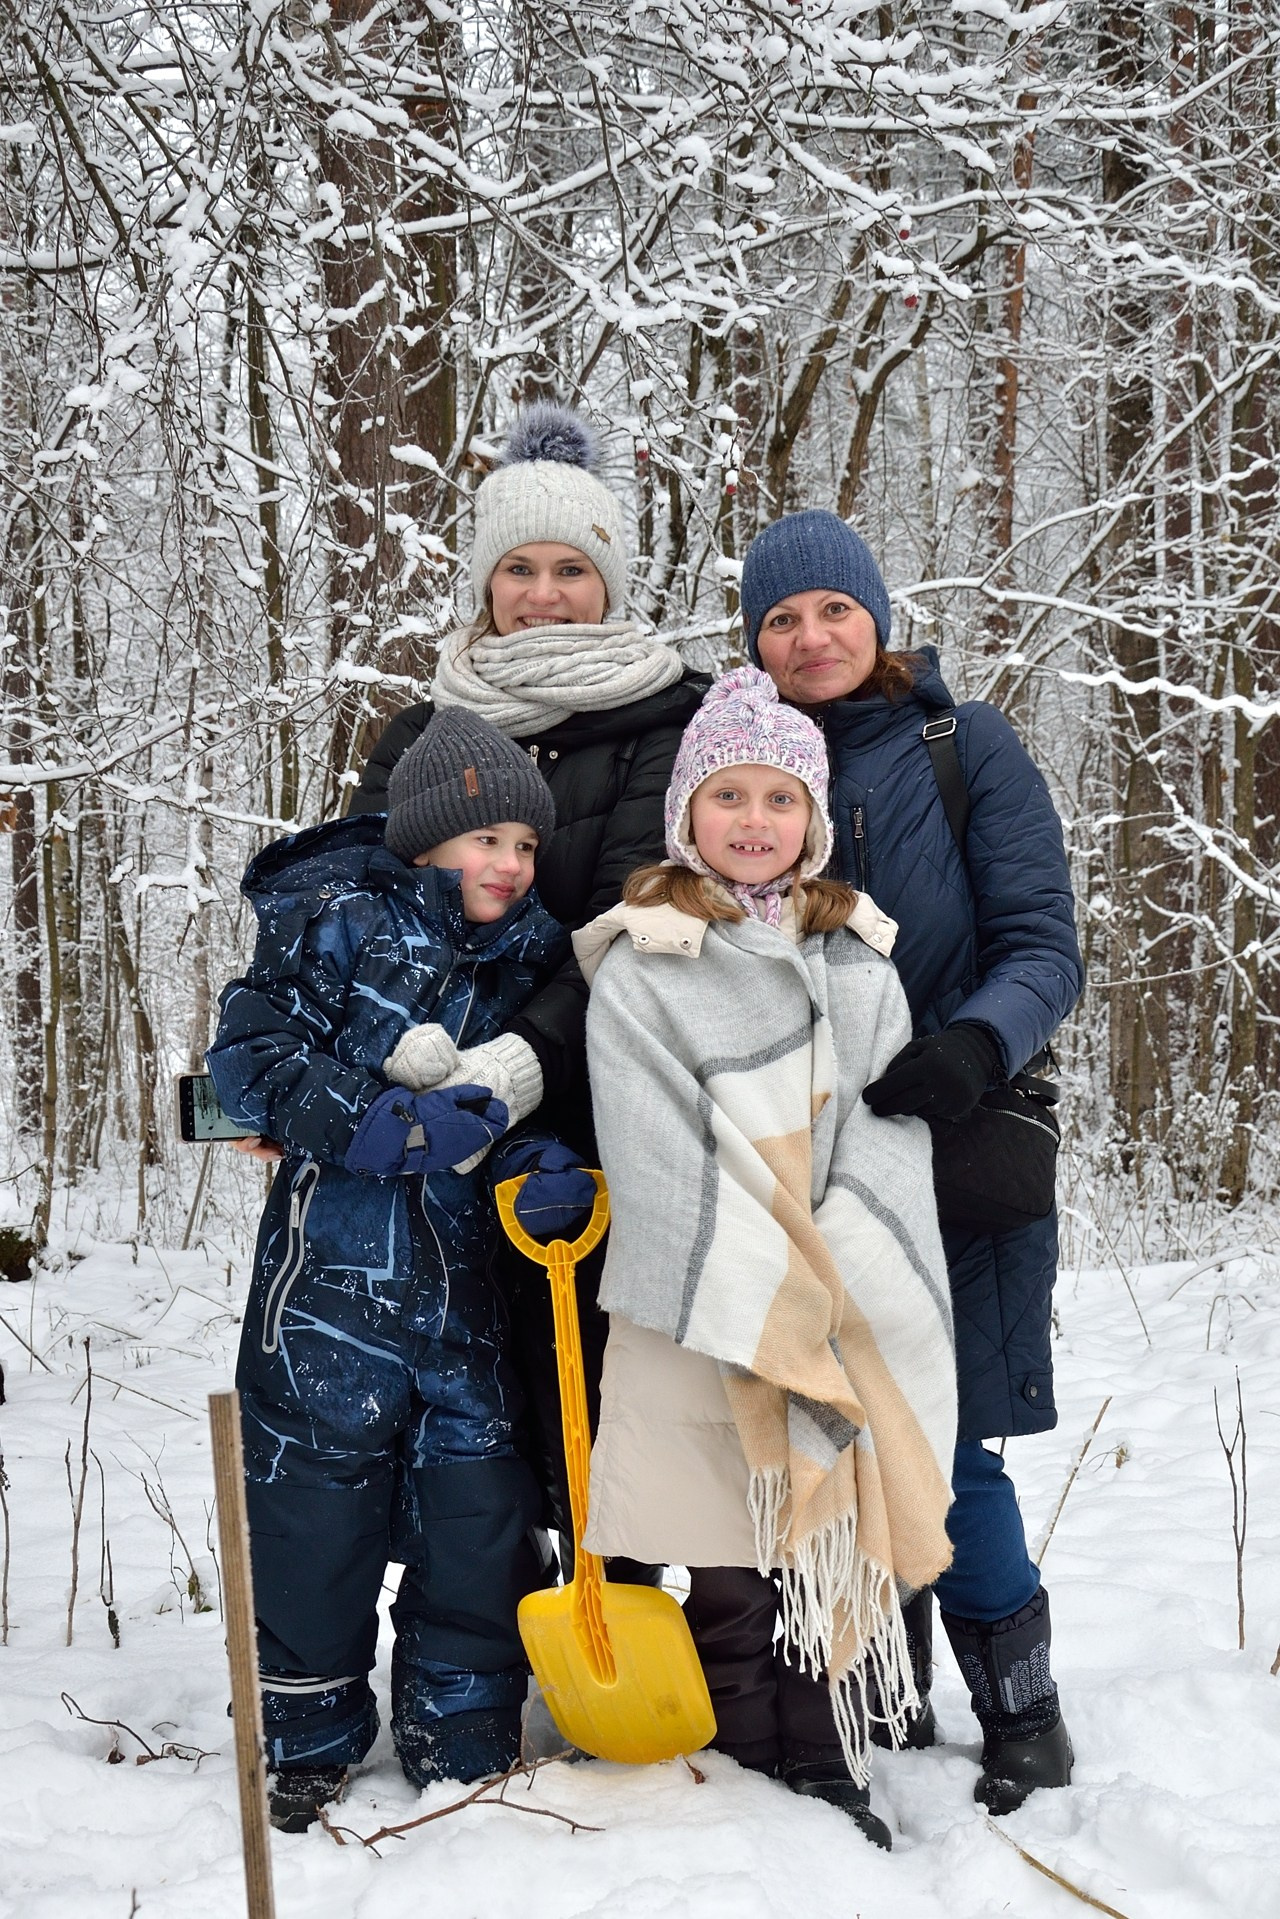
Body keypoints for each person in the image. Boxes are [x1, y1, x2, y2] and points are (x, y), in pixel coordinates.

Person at [572, 667, 958, 1851]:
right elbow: (652, 1142)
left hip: (830, 1298)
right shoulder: (644, 963)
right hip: (710, 1302)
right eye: (726, 795)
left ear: (813, 819)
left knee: (820, 1544)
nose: (752, 820)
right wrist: (768, 1274)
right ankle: (745, 1752)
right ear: (686, 814)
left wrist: (833, 1256)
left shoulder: (857, 963)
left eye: (778, 797)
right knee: (730, 1557)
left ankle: (825, 1748)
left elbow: (885, 1135)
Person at [739, 509, 1085, 1814]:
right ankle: (879, 1681)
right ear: (754, 643)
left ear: (876, 615)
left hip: (956, 1136)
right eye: (781, 618)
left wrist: (973, 1046)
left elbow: (1045, 945)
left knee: (952, 1441)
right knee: (827, 1432)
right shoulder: (732, 769)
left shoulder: (963, 745)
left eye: (833, 608)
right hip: (806, 1162)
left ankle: (1023, 1704)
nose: (811, 636)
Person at [207, 708, 597, 1832]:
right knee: (309, 1512)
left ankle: (463, 1730)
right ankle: (304, 1732)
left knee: (476, 1514)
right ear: (424, 841)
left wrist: (539, 1162)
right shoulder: (336, 922)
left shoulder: (531, 960)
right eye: (487, 842)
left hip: (470, 1297)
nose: (510, 865)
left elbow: (537, 1095)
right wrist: (358, 1116)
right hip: (325, 1293)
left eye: (525, 846)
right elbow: (250, 1054)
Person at [345, 401, 711, 1558]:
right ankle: (484, 1640)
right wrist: (336, 1059)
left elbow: (633, 917)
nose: (542, 593)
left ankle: (620, 1600)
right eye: (516, 568)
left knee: (600, 1382)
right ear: (482, 583)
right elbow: (350, 909)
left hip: (600, 1102)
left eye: (569, 567)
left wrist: (519, 1058)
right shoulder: (419, 731)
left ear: (608, 581)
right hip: (431, 1100)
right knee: (462, 1391)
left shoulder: (673, 718)